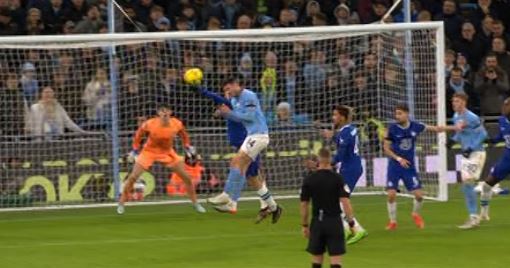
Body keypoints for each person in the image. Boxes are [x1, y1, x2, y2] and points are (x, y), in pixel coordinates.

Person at [192, 77, 282, 223]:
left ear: (237, 85)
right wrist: (224, 113)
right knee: (248, 174)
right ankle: (273, 206)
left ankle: (228, 196)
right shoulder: (234, 101)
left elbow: (249, 117)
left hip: (259, 135)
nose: (227, 92)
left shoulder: (249, 95)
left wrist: (228, 113)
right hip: (251, 136)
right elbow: (236, 117)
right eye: (225, 90)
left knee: (238, 163)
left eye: (229, 88)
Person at [117, 104, 206, 214]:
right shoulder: (150, 123)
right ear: (158, 113)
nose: (164, 113)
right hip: (149, 152)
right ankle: (121, 204)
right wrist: (135, 150)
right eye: (161, 111)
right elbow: (139, 134)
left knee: (187, 178)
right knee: (133, 177)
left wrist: (187, 146)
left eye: (166, 111)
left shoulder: (176, 123)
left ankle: (196, 204)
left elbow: (184, 135)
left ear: (170, 112)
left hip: (168, 153)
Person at [383, 104, 444, 230]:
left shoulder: (416, 126)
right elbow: (386, 149)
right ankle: (393, 221)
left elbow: (435, 128)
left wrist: (452, 128)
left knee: (419, 195)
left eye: (400, 113)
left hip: (409, 167)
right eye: (396, 114)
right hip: (395, 165)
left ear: (407, 114)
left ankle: (415, 214)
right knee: (391, 194)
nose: (397, 116)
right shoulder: (392, 129)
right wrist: (399, 159)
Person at [300, 147, 355, 268]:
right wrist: (351, 223)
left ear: (318, 160)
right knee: (336, 261)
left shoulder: (309, 180)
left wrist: (304, 225)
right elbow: (345, 202)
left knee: (316, 260)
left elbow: (304, 204)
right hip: (334, 221)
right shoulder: (338, 178)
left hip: (317, 222)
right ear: (330, 160)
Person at [321, 105, 367, 245]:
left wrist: (327, 164)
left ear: (342, 117)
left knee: (339, 200)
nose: (333, 117)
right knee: (337, 200)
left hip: (349, 169)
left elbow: (341, 155)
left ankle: (357, 230)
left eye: (335, 115)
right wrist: (333, 136)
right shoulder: (349, 129)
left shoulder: (345, 132)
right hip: (351, 167)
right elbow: (343, 145)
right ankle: (347, 229)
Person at [442, 93, 488, 229]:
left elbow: (483, 134)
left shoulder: (472, 117)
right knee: (466, 184)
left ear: (464, 102)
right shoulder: (456, 116)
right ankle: (474, 214)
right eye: (453, 101)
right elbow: (461, 132)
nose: (453, 103)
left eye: (456, 101)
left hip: (476, 153)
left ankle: (474, 217)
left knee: (467, 182)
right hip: (466, 154)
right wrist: (453, 140)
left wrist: (471, 147)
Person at [478, 97, 510, 221]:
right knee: (486, 186)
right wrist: (492, 140)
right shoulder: (502, 120)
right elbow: (502, 136)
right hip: (507, 160)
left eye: (506, 105)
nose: (503, 108)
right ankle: (484, 213)